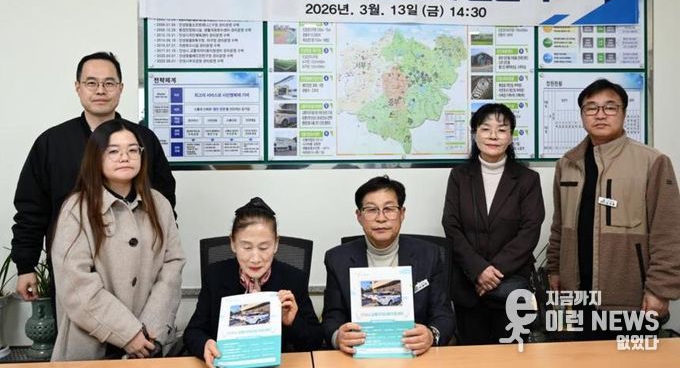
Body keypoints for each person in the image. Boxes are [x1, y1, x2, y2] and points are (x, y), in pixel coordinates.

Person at [11, 51, 176, 302]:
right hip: (73, 271)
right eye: (91, 83)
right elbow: (31, 209)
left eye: (109, 83)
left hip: (139, 271)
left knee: (141, 327)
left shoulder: (144, 140)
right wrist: (26, 265)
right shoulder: (52, 143)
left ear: (120, 88)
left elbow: (164, 204)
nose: (100, 90)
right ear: (77, 87)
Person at [547, 79, 680, 337]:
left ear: (624, 113)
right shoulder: (567, 163)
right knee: (580, 355)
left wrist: (661, 289)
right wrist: (554, 270)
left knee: (632, 357)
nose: (600, 115)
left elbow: (669, 231)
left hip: (631, 297)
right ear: (582, 115)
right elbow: (559, 225)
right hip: (576, 295)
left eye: (610, 107)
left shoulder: (652, 161)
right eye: (591, 108)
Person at [50, 119, 184, 361]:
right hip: (92, 344)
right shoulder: (76, 209)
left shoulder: (159, 204)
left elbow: (172, 265)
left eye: (133, 150)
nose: (125, 157)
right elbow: (75, 283)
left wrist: (149, 331)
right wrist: (128, 333)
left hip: (149, 342)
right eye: (113, 151)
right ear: (96, 157)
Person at [441, 103, 544, 344]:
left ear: (511, 136)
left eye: (502, 129)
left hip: (511, 285)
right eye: (486, 129)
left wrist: (492, 273)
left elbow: (530, 230)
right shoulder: (459, 176)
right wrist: (478, 270)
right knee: (471, 354)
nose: (493, 136)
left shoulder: (528, 179)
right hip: (468, 286)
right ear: (475, 133)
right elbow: (451, 225)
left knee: (513, 354)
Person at [321, 176, 455, 356]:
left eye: (389, 209)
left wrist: (432, 335)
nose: (381, 218)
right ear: (359, 216)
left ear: (402, 213)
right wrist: (338, 337)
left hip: (415, 355)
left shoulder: (429, 254)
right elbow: (332, 317)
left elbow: (443, 314)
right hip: (359, 356)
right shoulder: (337, 259)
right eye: (371, 210)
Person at [184, 197, 323, 367]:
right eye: (247, 247)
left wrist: (292, 322)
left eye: (264, 247)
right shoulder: (215, 275)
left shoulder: (293, 278)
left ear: (276, 244)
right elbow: (193, 332)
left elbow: (316, 340)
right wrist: (205, 344)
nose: (255, 258)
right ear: (233, 244)